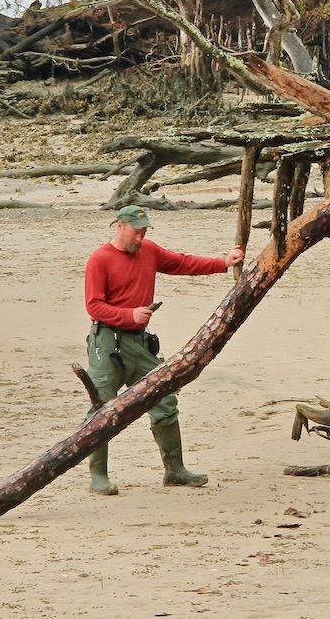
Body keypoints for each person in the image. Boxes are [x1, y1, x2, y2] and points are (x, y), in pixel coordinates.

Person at [81, 205, 244, 496]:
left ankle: (175, 470)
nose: (140, 238)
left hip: (140, 343)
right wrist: (128, 315)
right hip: (107, 342)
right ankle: (98, 476)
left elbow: (183, 263)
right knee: (101, 406)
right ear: (120, 226)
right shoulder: (99, 259)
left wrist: (224, 263)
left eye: (144, 232)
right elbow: (94, 305)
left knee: (164, 398)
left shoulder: (150, 250)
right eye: (135, 232)